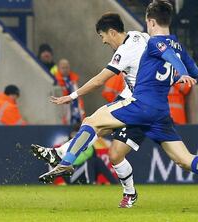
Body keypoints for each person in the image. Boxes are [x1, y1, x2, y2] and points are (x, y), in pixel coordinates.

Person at [37, 1, 198, 210]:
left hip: (141, 106)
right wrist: (178, 75)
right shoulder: (178, 45)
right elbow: (195, 72)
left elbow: (166, 54)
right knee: (184, 159)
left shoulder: (153, 42)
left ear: (150, 21)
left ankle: (66, 161)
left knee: (92, 121)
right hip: (160, 112)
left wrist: (180, 72)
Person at [31, 12, 151, 208]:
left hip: (139, 105)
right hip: (134, 99)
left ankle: (63, 157)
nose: (103, 41)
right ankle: (61, 155)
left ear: (112, 32)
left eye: (102, 36)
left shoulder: (125, 51)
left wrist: (70, 96)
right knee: (113, 153)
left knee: (91, 123)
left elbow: (98, 81)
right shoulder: (140, 36)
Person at [54, 59, 85, 125]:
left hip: (75, 105)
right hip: (63, 105)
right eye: (63, 68)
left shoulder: (74, 78)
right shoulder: (55, 79)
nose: (65, 70)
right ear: (59, 68)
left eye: (67, 67)